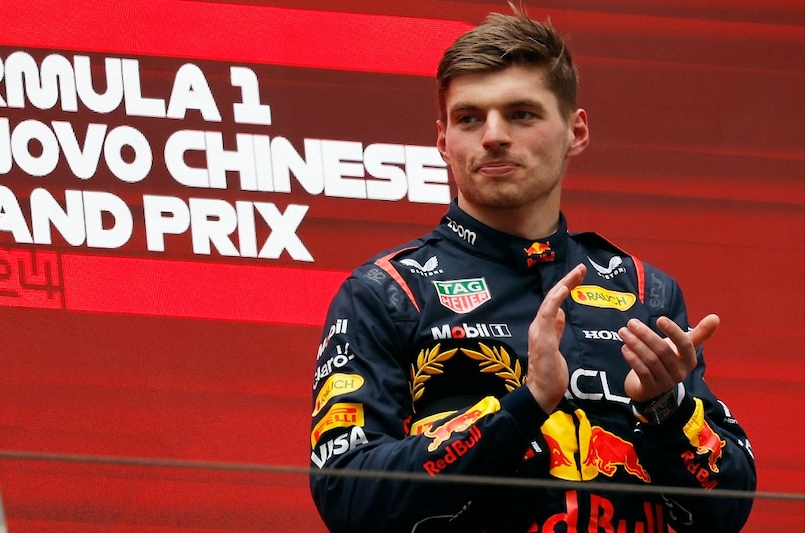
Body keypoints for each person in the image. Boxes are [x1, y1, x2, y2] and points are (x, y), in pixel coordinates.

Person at [309, 5, 756, 532]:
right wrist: (523, 406)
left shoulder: (645, 290)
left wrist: (666, 411)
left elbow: (729, 509)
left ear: (576, 131)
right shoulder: (388, 292)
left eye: (521, 114)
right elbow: (347, 496)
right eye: (469, 118)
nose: (493, 135)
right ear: (443, 142)